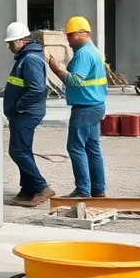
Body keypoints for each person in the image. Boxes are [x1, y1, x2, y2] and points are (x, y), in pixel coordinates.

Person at [47, 16, 108, 198]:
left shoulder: (84, 54)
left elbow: (75, 80)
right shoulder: (92, 51)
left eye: (71, 35)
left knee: (75, 147)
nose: (68, 40)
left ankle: (83, 190)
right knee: (92, 149)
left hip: (85, 108)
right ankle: (98, 189)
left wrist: (55, 67)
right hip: (95, 106)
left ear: (83, 34)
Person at [2, 22, 52, 206]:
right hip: (23, 113)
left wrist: (18, 106)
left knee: (17, 151)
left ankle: (40, 187)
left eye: (11, 42)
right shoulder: (26, 57)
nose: (9, 47)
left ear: (22, 40)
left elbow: (37, 89)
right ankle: (27, 190)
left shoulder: (30, 59)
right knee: (23, 150)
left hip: (26, 113)